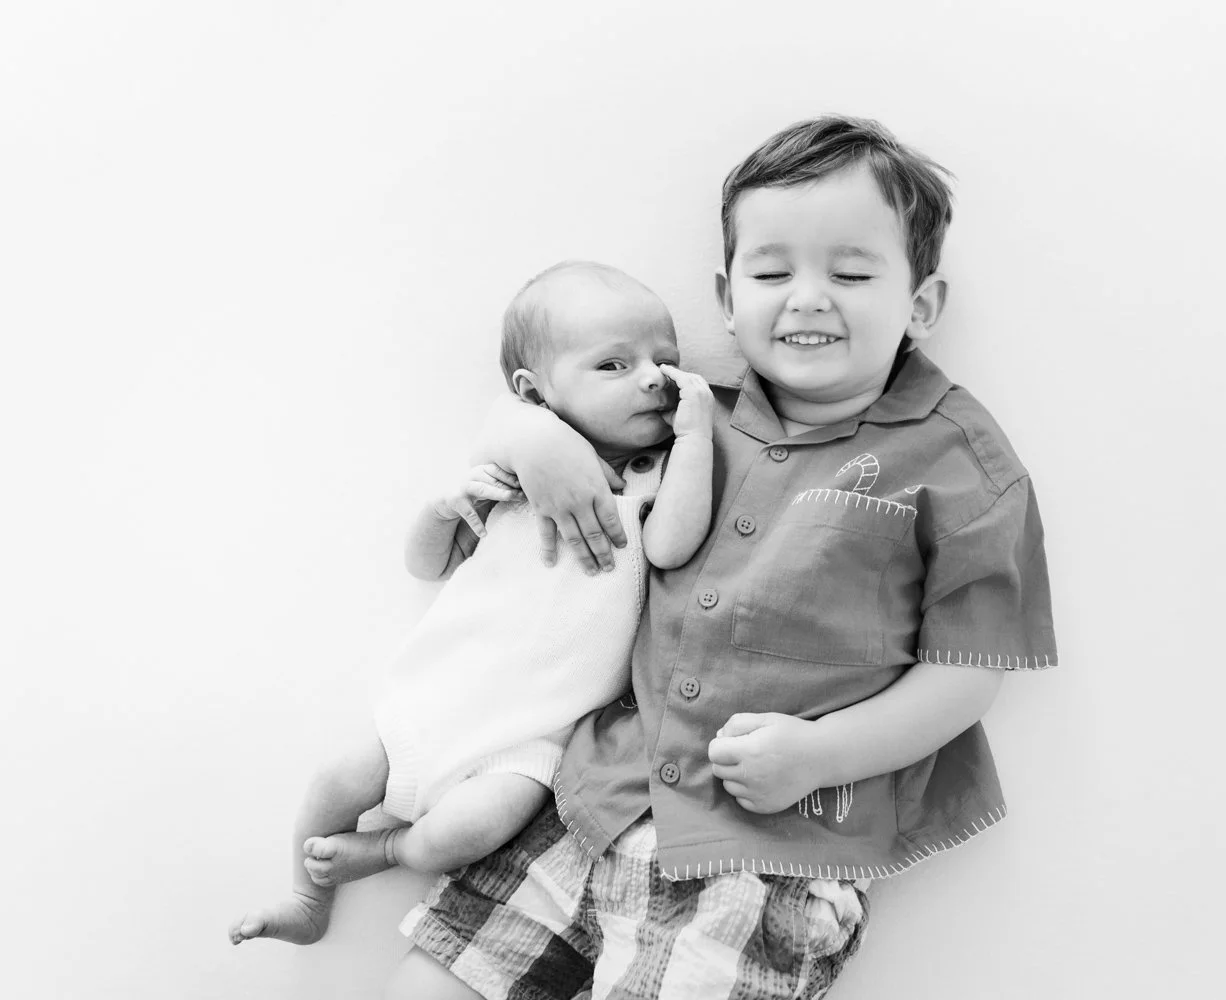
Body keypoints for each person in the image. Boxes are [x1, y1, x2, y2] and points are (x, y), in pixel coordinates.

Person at [386, 114, 1059, 1000]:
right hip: (596, 798)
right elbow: (536, 396)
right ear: (727, 296)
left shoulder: (962, 463)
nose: (807, 297)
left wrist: (822, 753)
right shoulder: (689, 416)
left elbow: (966, 675)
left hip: (769, 849)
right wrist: (530, 439)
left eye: (851, 273)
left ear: (921, 306)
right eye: (772, 272)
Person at [229, 261, 715, 947]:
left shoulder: (656, 475)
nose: (651, 380)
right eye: (613, 364)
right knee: (338, 779)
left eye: (665, 362)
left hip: (530, 738)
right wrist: (442, 510)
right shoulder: (514, 472)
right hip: (435, 701)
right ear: (534, 392)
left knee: (469, 832)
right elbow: (426, 565)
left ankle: (388, 851)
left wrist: (695, 443)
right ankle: (306, 899)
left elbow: (670, 548)